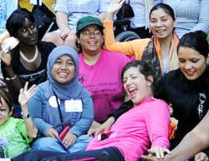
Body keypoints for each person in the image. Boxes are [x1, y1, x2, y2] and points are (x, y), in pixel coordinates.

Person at [17, 61, 171, 161]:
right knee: (35, 155)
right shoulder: (128, 110)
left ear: (149, 80)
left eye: (133, 77)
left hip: (115, 154)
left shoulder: (156, 105)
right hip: (97, 150)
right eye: (124, 80)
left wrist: (159, 147)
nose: (128, 83)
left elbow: (159, 134)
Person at [152, 31, 209, 157]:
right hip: (172, 144)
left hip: (204, 149)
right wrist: (113, 117)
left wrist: (208, 153)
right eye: (182, 61)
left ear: (207, 58)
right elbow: (149, 103)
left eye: (194, 61)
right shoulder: (171, 80)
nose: (187, 67)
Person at [26, 46, 93, 153]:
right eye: (58, 62)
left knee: (89, 142)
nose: (63, 67)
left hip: (75, 141)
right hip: (50, 141)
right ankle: (70, 157)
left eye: (70, 63)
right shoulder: (39, 91)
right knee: (43, 145)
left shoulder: (83, 94)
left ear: (76, 68)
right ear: (50, 65)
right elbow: (35, 117)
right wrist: (46, 128)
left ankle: (63, 156)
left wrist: (74, 133)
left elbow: (87, 118)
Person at [72, 16, 132, 124]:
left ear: (103, 37)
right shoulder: (72, 64)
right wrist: (87, 124)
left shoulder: (120, 60)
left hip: (118, 123)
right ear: (78, 38)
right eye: (86, 33)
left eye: (97, 32)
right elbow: (67, 102)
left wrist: (118, 120)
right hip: (83, 127)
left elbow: (132, 93)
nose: (92, 36)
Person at [103, 1, 179, 76]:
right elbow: (110, 46)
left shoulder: (184, 46)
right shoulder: (142, 45)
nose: (158, 25)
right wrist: (110, 15)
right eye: (153, 21)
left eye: (164, 20)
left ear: (174, 22)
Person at [0, 9, 56, 101]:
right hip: (24, 104)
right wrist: (8, 68)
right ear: (15, 35)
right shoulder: (11, 58)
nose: (31, 32)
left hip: (50, 101)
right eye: (24, 30)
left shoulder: (49, 49)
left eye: (32, 26)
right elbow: (16, 96)